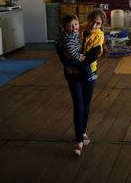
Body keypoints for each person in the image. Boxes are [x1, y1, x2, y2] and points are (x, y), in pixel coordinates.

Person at [56, 9, 106, 156]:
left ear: (101, 25)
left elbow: (91, 58)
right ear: (88, 19)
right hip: (72, 73)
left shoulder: (99, 36)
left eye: (98, 23)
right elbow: (59, 47)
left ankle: (83, 132)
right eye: (92, 21)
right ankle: (79, 141)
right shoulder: (77, 27)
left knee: (86, 104)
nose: (93, 25)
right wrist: (67, 64)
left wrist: (75, 67)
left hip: (88, 72)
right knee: (78, 105)